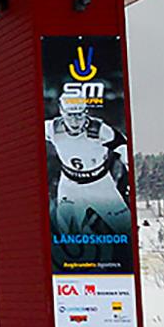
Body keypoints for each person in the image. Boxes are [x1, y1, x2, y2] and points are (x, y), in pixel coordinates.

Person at [45, 95, 131, 239]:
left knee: (125, 228)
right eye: (70, 115)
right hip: (70, 187)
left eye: (79, 115)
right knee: (68, 234)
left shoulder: (99, 130)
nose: (74, 121)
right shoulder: (53, 129)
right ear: (61, 111)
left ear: (86, 112)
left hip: (101, 187)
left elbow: (122, 145)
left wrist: (129, 167)